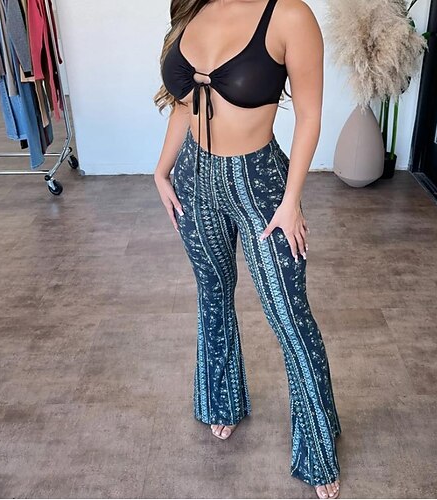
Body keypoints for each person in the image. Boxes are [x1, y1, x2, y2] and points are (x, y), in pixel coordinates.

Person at [153, 0, 341, 498]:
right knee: (213, 295)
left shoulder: (289, 16)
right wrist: (161, 170)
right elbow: (184, 104)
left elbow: (310, 116)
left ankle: (318, 445)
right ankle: (222, 401)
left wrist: (291, 200)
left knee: (289, 315)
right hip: (194, 177)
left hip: (260, 184)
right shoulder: (193, 10)